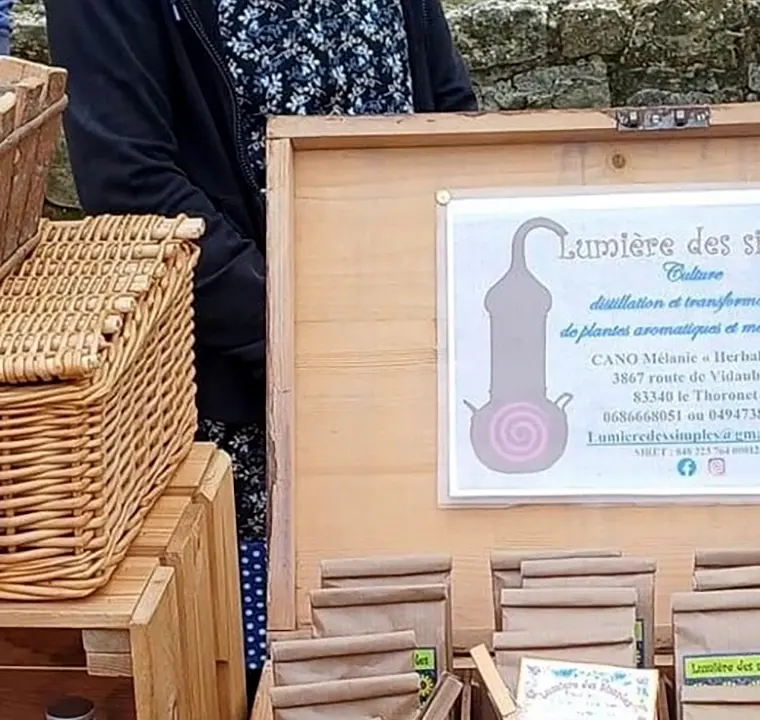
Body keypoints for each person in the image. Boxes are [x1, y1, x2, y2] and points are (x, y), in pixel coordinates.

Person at [44, 0, 477, 700]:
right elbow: (130, 180)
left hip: (414, 384)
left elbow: (449, 111)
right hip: (241, 416)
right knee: (276, 675)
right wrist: (301, 334)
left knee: (419, 662)